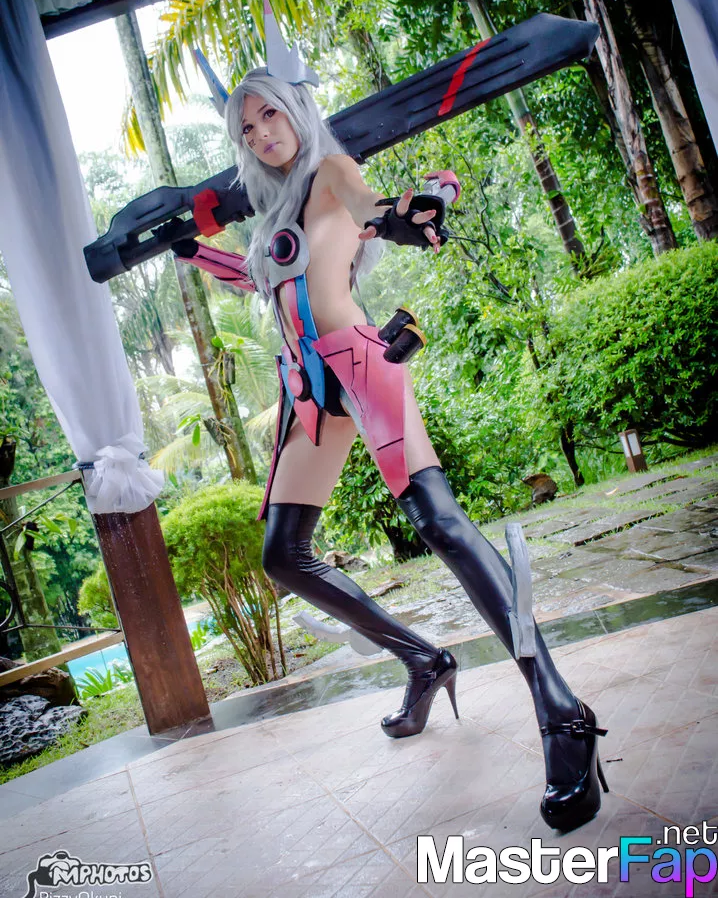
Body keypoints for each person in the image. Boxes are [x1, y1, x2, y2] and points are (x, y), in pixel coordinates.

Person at [174, 62, 608, 833]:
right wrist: (191, 249)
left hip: (360, 365)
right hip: (307, 386)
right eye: (246, 128)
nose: (262, 134)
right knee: (283, 555)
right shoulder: (272, 215)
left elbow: (371, 206)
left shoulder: (330, 171)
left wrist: (410, 213)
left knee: (441, 524)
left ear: (296, 111)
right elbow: (266, 279)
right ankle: (422, 659)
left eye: (270, 115)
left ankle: (562, 712)